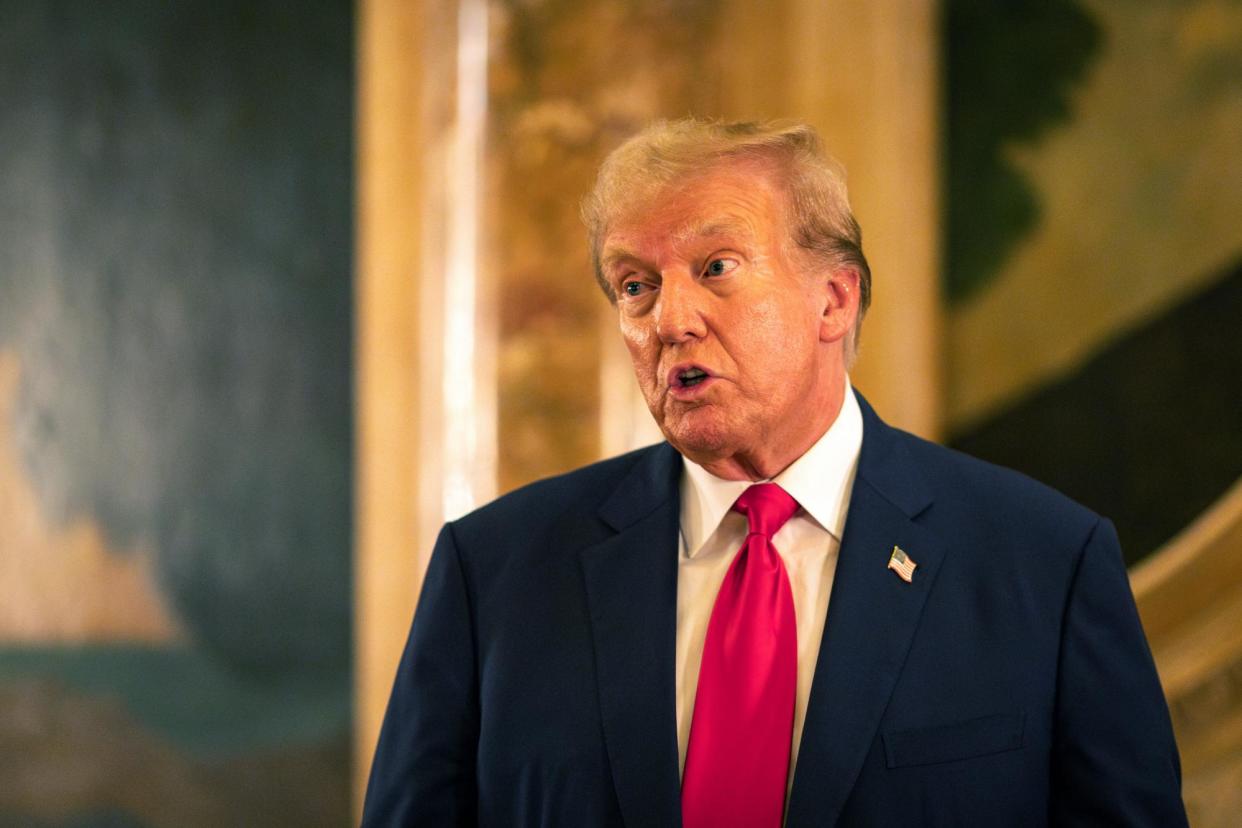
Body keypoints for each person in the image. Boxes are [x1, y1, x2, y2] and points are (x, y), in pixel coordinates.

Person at [361, 119, 1186, 827]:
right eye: (636, 286)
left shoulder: (1043, 562)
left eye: (716, 267)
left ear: (834, 298)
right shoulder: (496, 572)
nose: (669, 321)